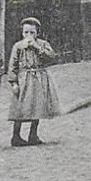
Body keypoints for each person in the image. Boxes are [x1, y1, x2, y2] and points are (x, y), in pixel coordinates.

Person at [7, 17, 60, 146]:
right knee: (20, 107)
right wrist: (13, 82)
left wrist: (37, 48)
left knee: (37, 105)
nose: (29, 35)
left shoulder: (43, 44)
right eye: (26, 32)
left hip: (39, 78)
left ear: (37, 33)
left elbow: (52, 58)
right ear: (22, 33)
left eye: (32, 32)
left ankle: (33, 134)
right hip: (23, 79)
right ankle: (16, 136)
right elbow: (12, 65)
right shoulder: (18, 46)